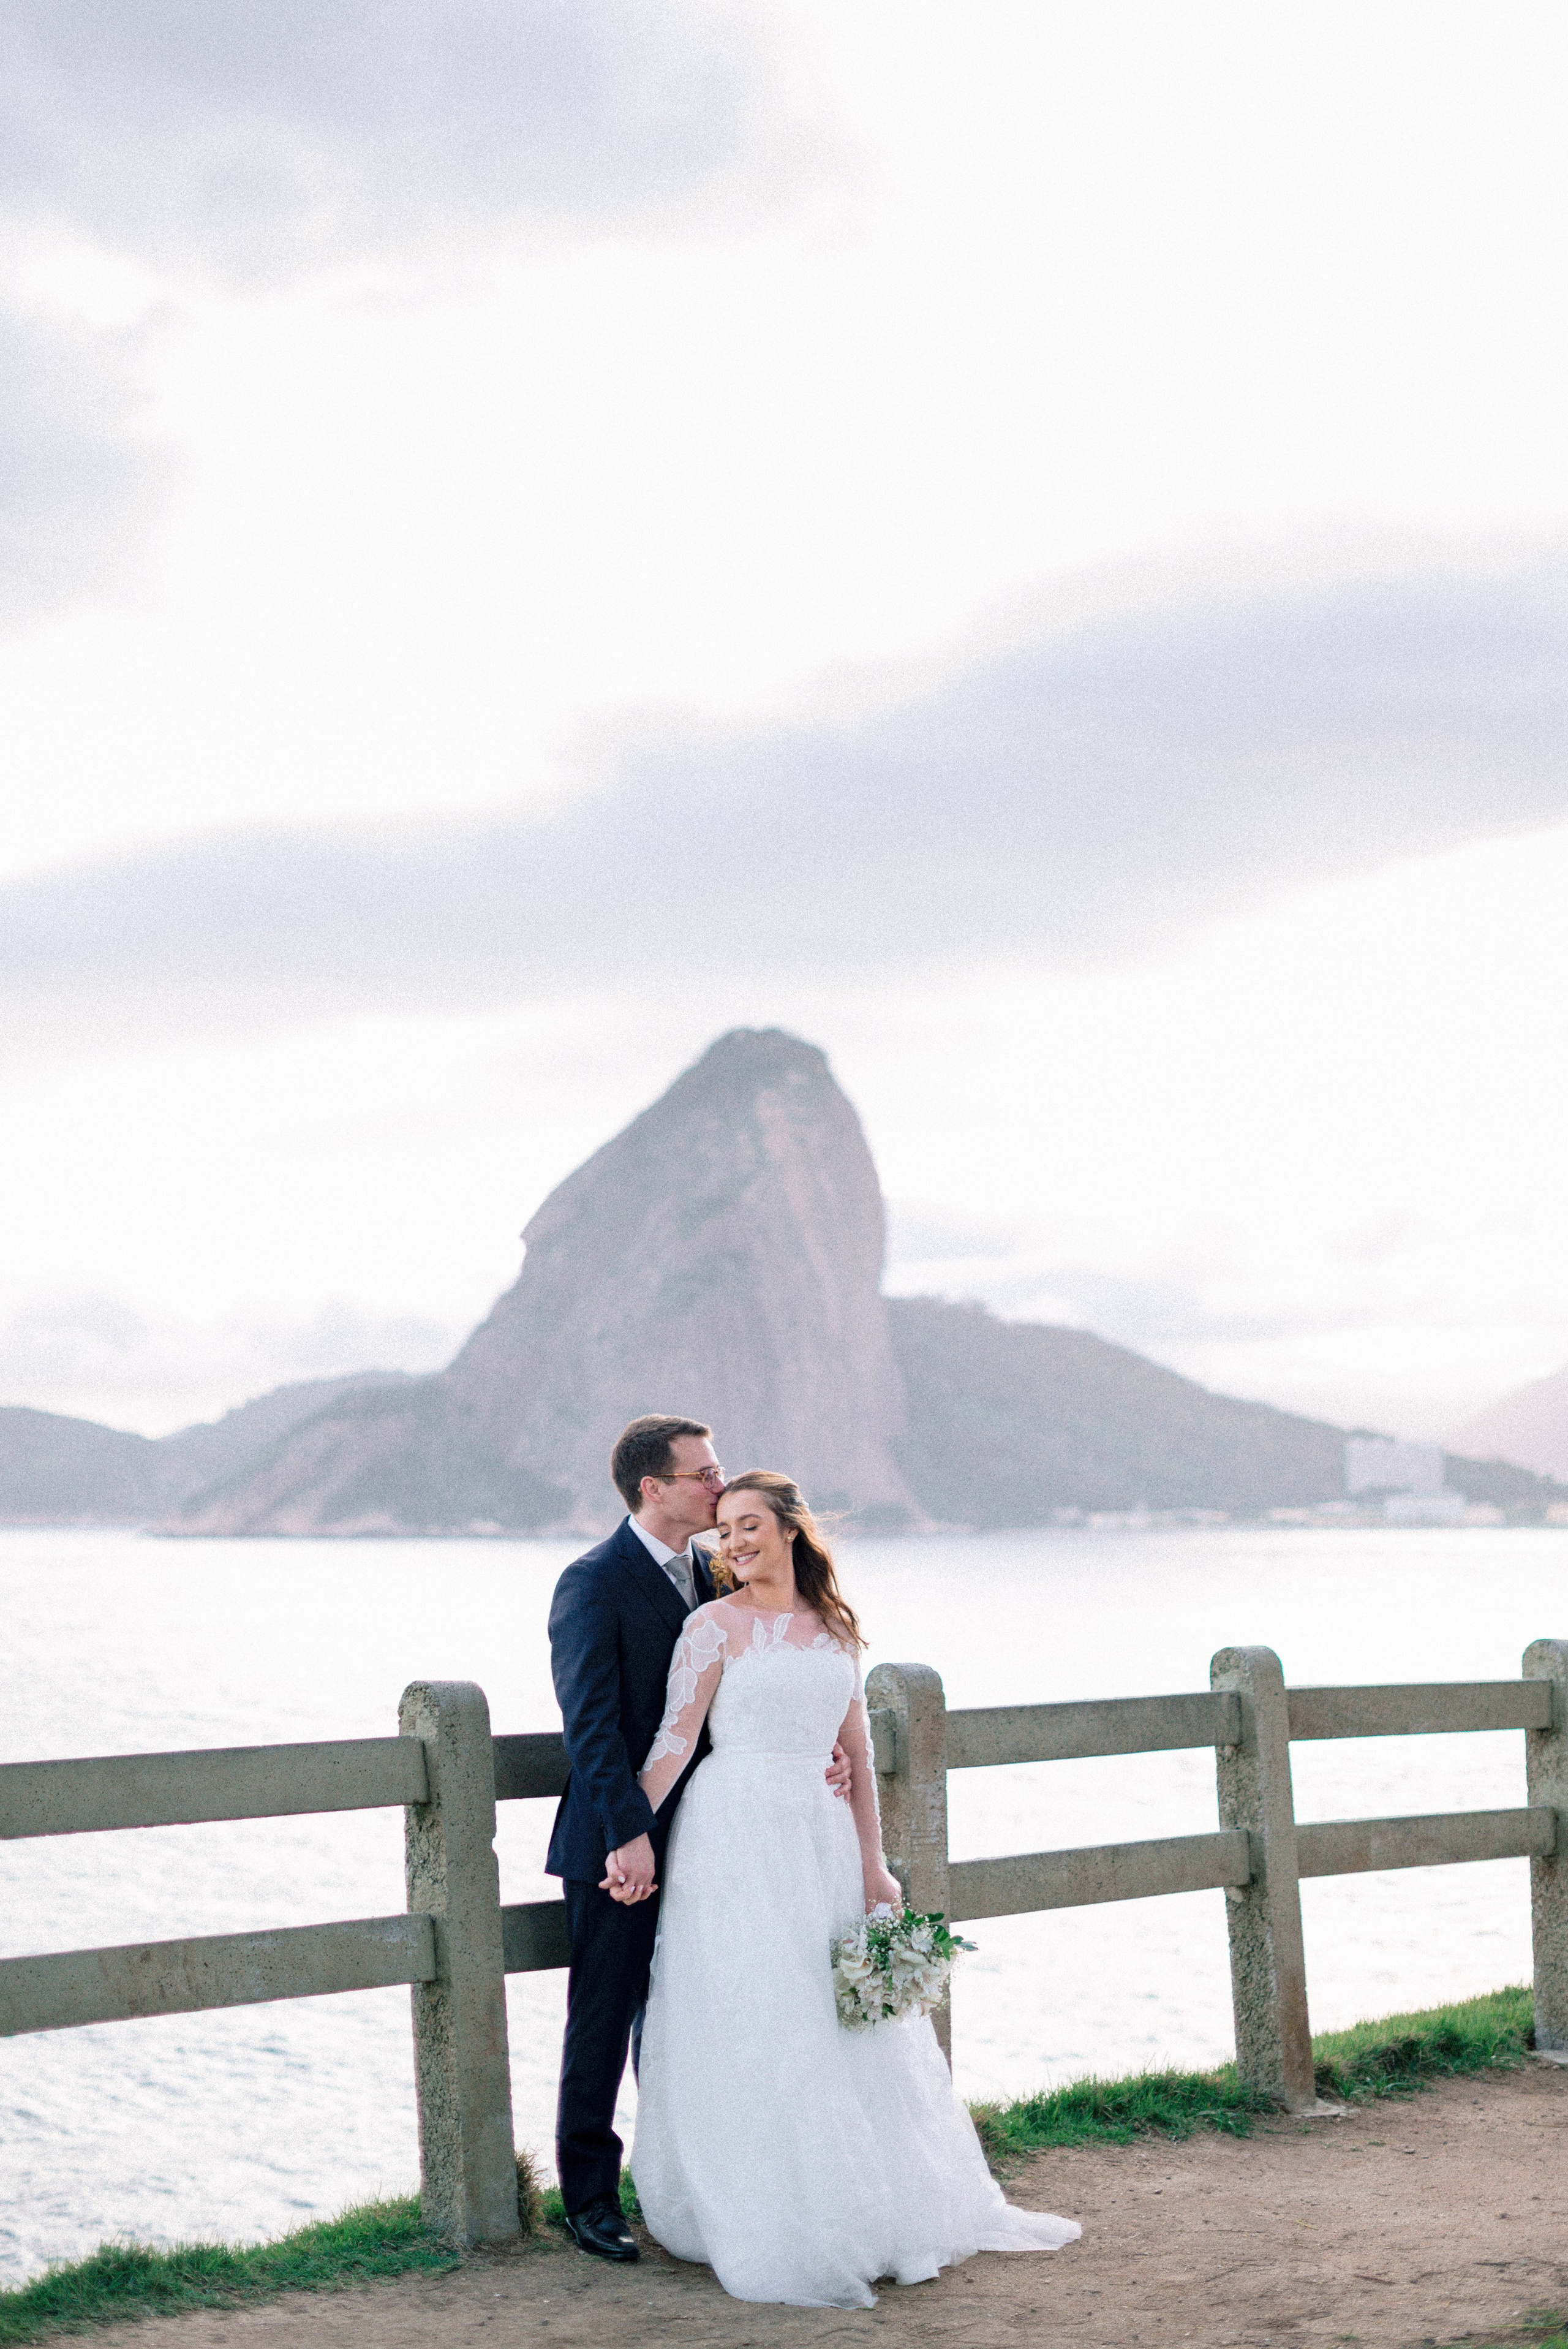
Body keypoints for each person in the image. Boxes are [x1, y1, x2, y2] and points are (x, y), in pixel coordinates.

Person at [624, 1470, 1080, 2308]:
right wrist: (626, 1831)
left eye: (751, 1524)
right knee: (748, 2003)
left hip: (821, 1838)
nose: (736, 1542)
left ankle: (856, 2201)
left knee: (831, 2014)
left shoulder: (836, 1628)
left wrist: (875, 1867)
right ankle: (763, 2203)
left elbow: (860, 1758)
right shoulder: (710, 1626)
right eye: (725, 1530)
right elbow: (674, 1742)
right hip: (732, 1836)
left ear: (792, 1528)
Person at [546, 1418, 852, 2262]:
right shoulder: (592, 1582)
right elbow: (594, 1730)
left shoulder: (721, 1571)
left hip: (726, 1839)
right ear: (655, 1487)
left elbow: (745, 1689)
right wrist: (629, 1836)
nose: (720, 1488)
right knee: (604, 2018)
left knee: (708, 2014)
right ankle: (591, 2200)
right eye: (704, 1474)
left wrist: (813, 1740)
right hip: (622, 1846)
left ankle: (697, 2181)